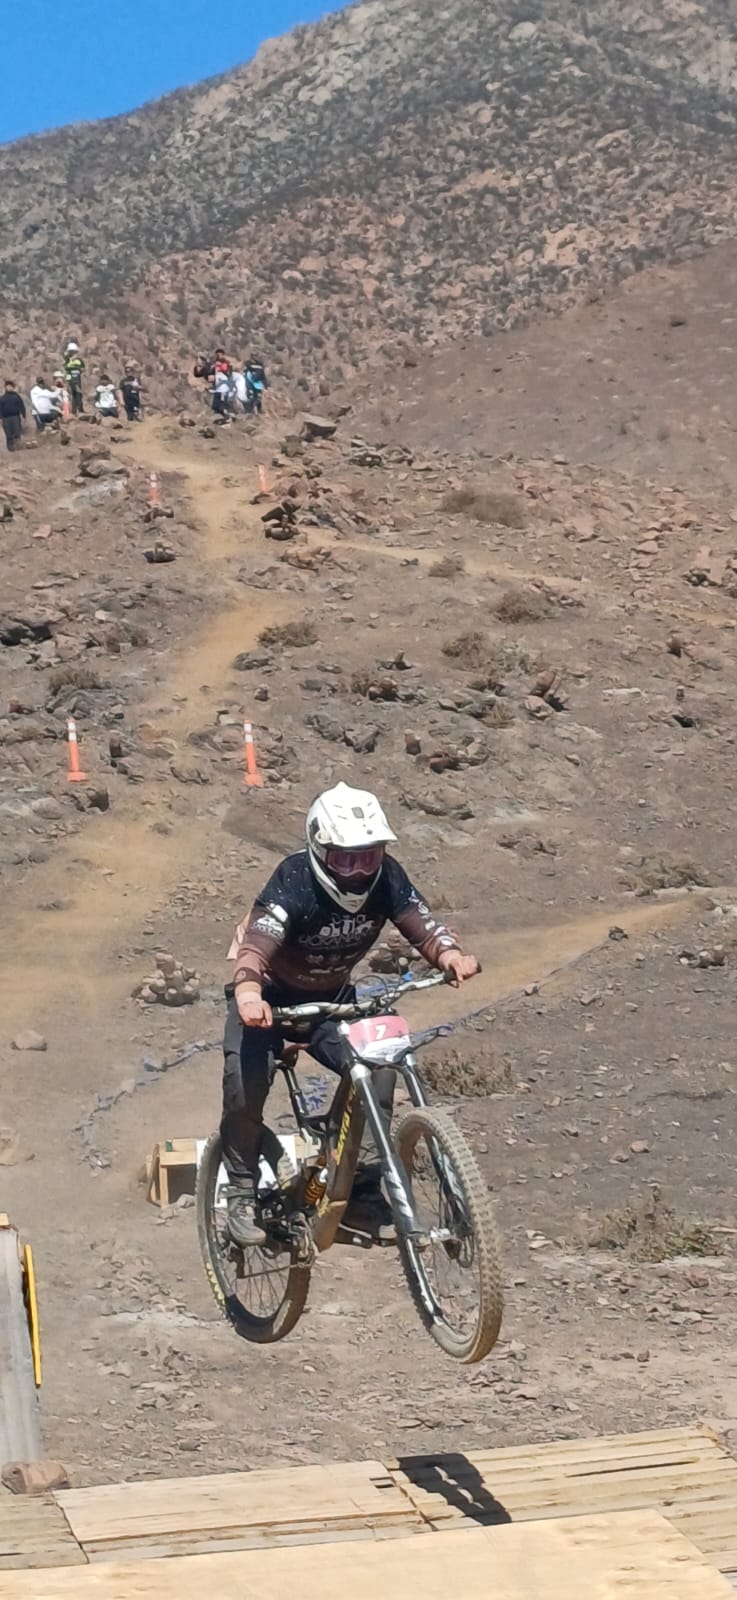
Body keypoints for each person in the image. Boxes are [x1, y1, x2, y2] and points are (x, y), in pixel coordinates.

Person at [222, 782, 479, 1247]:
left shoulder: (387, 878)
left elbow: (421, 922)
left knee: (381, 1064)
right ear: (319, 849)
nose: (358, 871)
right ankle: (241, 1195)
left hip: (332, 1003)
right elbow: (258, 941)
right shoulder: (294, 879)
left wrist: (449, 955)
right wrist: (247, 992)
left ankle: (360, 1188)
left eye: (369, 856)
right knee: (245, 1086)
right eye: (344, 859)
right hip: (268, 1006)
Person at [0, 381, 26, 451]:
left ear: (13, 387)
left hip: (15, 417)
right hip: (6, 418)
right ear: (5, 387)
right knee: (8, 434)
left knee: (17, 433)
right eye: (8, 386)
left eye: (11, 386)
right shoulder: (2, 398)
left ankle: (18, 446)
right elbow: (0, 409)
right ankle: (10, 448)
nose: (9, 387)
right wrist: (1, 418)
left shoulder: (16, 396)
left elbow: (22, 406)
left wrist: (24, 416)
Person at [63, 342, 85, 415]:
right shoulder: (67, 360)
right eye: (71, 352)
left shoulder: (79, 360)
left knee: (78, 394)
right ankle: (74, 410)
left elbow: (83, 369)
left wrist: (76, 369)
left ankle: (79, 409)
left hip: (77, 379)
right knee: (74, 394)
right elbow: (66, 368)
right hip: (71, 380)